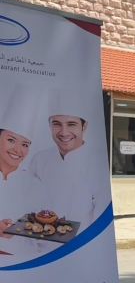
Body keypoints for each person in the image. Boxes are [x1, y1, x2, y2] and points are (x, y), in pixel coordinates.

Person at [29, 90, 111, 234]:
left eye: (71, 124)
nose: (64, 132)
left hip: (81, 242)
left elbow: (102, 216)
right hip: (37, 240)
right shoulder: (39, 159)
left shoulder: (98, 163)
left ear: (84, 127)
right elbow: (26, 199)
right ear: (50, 126)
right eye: (57, 124)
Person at [0, 86, 51, 261]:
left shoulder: (34, 184)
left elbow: (48, 232)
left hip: (24, 263)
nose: (18, 150)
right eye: (11, 140)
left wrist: (21, 228)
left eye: (25, 144)